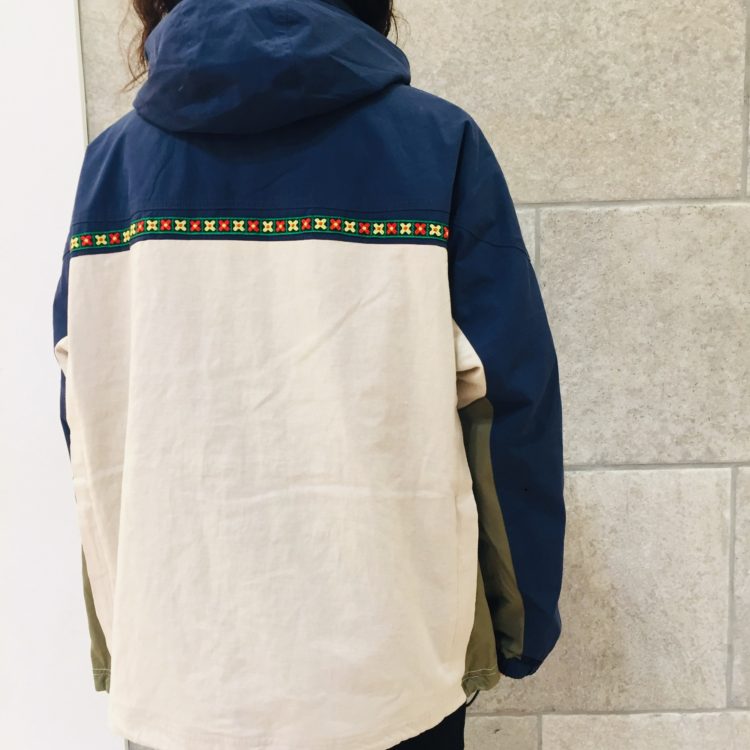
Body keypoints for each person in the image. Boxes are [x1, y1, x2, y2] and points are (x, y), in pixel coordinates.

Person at [51, 0, 566, 748]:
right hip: (387, 671)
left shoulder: (111, 168)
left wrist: (121, 637)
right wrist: (521, 625)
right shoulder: (434, 143)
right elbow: (510, 403)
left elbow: (90, 422)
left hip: (179, 670)